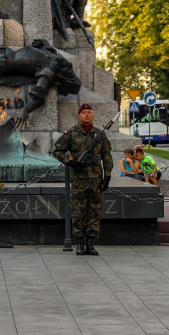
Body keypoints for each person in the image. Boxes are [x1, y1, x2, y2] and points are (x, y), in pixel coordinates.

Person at [53, 103, 113, 256]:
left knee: (94, 211)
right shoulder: (71, 133)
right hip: (79, 180)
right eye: (84, 112)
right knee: (78, 211)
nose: (87, 114)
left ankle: (91, 243)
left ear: (93, 115)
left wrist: (107, 176)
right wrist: (71, 162)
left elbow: (107, 156)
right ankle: (79, 243)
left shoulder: (99, 134)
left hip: (96, 179)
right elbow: (58, 151)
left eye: (89, 112)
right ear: (79, 115)